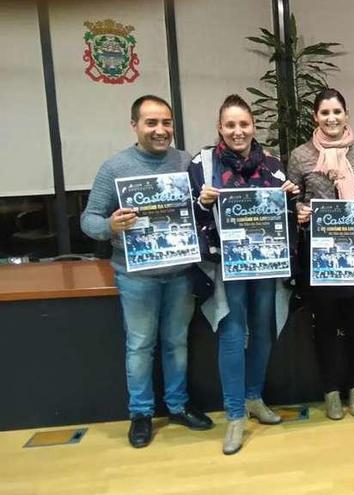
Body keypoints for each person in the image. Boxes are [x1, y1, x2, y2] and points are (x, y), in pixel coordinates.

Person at [81, 95, 213, 448]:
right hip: (136, 275)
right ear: (134, 126)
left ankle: (177, 406)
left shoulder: (186, 161)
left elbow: (200, 207)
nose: (160, 130)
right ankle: (140, 414)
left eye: (166, 123)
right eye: (151, 123)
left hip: (181, 272)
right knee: (140, 346)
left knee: (176, 344)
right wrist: (110, 225)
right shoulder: (115, 168)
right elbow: (88, 219)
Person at [188, 94, 298, 454]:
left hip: (266, 265)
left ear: (253, 126)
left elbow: (286, 219)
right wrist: (201, 203)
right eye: (230, 125)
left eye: (244, 124)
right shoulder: (202, 165)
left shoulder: (274, 166)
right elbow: (183, 216)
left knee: (264, 328)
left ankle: (253, 397)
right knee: (233, 333)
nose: (238, 131)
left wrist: (290, 200)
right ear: (220, 128)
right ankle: (234, 415)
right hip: (226, 267)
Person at [288, 88, 354, 420]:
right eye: (325, 113)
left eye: (337, 112)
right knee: (325, 325)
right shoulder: (301, 155)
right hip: (320, 258)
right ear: (316, 116)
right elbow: (292, 201)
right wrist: (299, 210)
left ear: (347, 115)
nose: (331, 118)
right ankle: (330, 390)